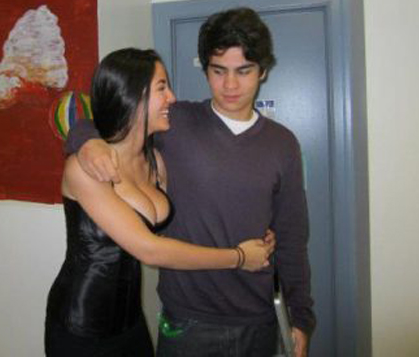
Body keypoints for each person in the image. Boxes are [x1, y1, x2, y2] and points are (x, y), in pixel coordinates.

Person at [67, 9, 315, 357]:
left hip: (258, 318)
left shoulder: (282, 144)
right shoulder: (175, 122)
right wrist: (86, 140)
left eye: (244, 71)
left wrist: (300, 317)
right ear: (206, 69)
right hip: (187, 321)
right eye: (218, 71)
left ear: (263, 71)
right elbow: (109, 117)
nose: (230, 85)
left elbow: (291, 237)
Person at [45, 48, 276, 357]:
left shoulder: (155, 160)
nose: (172, 98)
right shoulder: (87, 167)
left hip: (131, 322)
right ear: (132, 95)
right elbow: (149, 250)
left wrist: (250, 234)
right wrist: (239, 257)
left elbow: (193, 214)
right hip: (79, 326)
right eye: (162, 88)